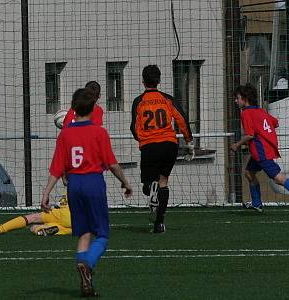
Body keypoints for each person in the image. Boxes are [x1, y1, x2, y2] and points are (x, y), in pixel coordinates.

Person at [41, 88, 132, 297]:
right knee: (102, 234)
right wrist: (125, 182)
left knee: (83, 232)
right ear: (93, 109)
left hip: (74, 185)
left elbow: (56, 168)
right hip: (93, 182)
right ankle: (87, 264)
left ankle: (86, 284)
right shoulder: (99, 132)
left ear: (72, 109)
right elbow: (112, 164)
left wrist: (46, 192)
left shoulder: (65, 134)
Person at [130, 65, 194, 233]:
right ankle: (159, 223)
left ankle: (152, 188)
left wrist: (142, 139)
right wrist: (189, 142)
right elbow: (182, 119)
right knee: (163, 180)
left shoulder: (139, 101)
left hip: (150, 145)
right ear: (159, 81)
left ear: (143, 82)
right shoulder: (167, 99)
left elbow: (134, 127)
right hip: (169, 144)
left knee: (147, 184)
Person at [231, 83, 289, 212]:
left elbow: (250, 135)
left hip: (261, 152)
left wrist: (236, 144)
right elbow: (275, 123)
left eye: (237, 98)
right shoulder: (260, 110)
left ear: (245, 98)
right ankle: (257, 203)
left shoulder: (246, 113)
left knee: (278, 178)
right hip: (260, 150)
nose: (236, 101)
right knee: (249, 173)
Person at [0, 193, 72, 236]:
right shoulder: (81, 183)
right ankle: (61, 230)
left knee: (33, 220)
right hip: (75, 218)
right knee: (78, 228)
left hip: (61, 213)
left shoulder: (73, 183)